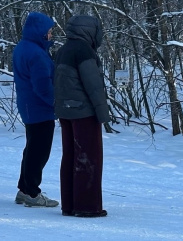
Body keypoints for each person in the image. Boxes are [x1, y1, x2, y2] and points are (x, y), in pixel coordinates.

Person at [53, 15, 110, 218]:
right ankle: (87, 206)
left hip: (65, 111)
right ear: (90, 31)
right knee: (88, 157)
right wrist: (102, 113)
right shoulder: (84, 51)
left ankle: (69, 205)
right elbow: (93, 85)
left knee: (70, 156)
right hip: (84, 112)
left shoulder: (63, 50)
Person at [12, 12, 59, 208]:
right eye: (49, 31)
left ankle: (24, 189)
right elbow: (42, 86)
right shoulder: (37, 54)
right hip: (39, 108)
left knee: (31, 149)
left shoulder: (23, 47)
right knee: (39, 152)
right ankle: (32, 192)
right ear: (40, 32)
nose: (51, 35)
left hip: (29, 106)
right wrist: (55, 103)